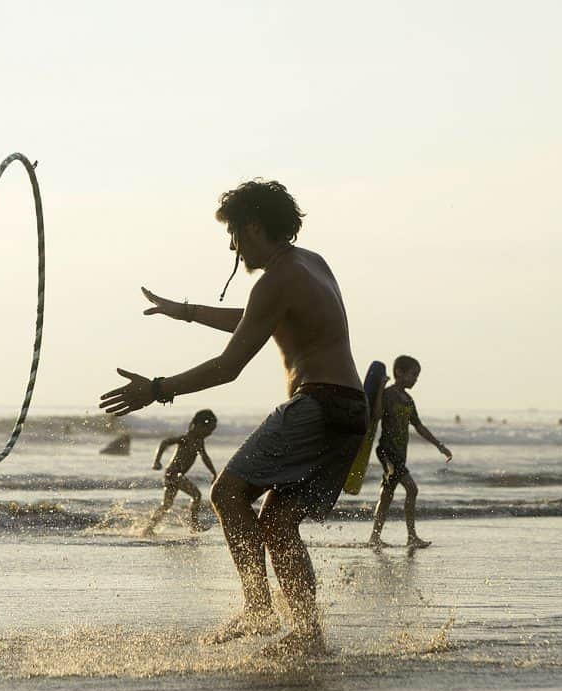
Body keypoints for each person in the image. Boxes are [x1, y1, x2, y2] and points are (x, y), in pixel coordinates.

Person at [99, 180, 367, 657]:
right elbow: (261, 318)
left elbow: (228, 367)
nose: (232, 247)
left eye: (235, 235)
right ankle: (309, 636)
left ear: (255, 226)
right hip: (350, 409)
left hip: (317, 403)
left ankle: (259, 609)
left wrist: (157, 390)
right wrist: (185, 312)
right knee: (279, 522)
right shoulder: (309, 263)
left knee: (225, 491)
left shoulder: (277, 278)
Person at [368, 355, 452, 550]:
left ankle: (375, 537)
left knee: (388, 494)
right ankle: (410, 536)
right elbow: (377, 414)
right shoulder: (388, 395)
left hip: (399, 453)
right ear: (399, 373)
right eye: (413, 375)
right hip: (387, 451)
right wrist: (380, 388)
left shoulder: (408, 400)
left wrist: (439, 445)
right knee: (411, 489)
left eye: (417, 376)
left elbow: (419, 426)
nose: (415, 379)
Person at [142, 410, 218, 535]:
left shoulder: (199, 442)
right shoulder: (186, 439)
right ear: (199, 425)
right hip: (173, 473)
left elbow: (205, 457)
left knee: (167, 504)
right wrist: (157, 461)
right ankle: (194, 525)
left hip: (174, 475)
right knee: (196, 495)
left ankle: (149, 528)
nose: (209, 434)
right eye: (208, 430)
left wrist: (213, 472)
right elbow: (165, 442)